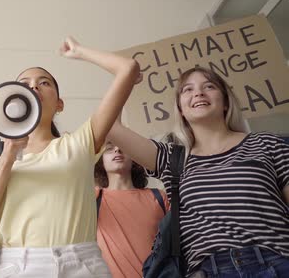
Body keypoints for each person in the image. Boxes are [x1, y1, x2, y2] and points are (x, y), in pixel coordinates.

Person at [0, 36, 140, 277]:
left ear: (60, 104)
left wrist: (80, 51)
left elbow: (128, 68)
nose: (33, 87)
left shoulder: (80, 143)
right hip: (17, 266)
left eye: (44, 83)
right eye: (25, 83)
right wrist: (7, 159)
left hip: (83, 264)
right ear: (10, 99)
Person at [107, 66, 289, 277]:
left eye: (209, 86)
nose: (198, 93)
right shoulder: (171, 158)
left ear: (226, 102)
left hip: (276, 263)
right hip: (208, 270)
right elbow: (110, 126)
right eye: (187, 89)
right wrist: (125, 78)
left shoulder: (268, 144)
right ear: (181, 109)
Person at [94, 142, 168, 278]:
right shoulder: (94, 198)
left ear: (135, 158)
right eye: (109, 149)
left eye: (124, 147)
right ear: (100, 160)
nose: (117, 149)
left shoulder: (158, 197)